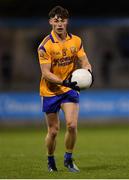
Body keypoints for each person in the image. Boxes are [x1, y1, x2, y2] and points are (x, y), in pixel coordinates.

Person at [38, 5, 92, 172]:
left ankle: (68, 159)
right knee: (53, 131)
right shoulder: (45, 46)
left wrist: (89, 73)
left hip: (69, 89)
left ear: (67, 22)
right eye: (56, 21)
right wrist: (64, 82)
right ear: (50, 22)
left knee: (72, 125)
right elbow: (46, 73)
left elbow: (85, 62)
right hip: (50, 91)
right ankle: (50, 159)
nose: (59, 24)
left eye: (62, 20)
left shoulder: (76, 40)